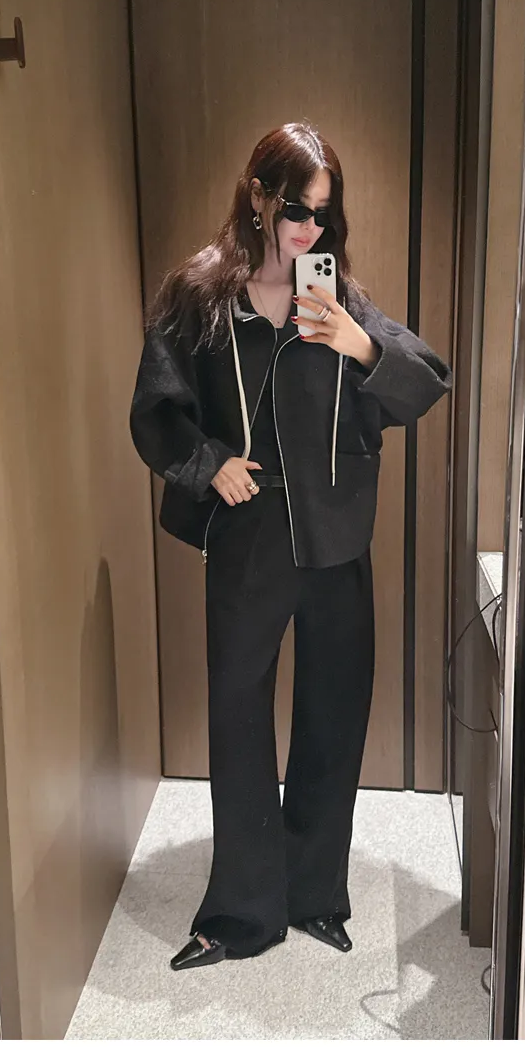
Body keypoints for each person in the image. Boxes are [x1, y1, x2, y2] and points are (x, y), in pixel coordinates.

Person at [130, 102, 450, 966]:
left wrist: (358, 345)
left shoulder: (335, 296)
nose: (310, 227)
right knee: (238, 715)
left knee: (334, 713)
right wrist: (210, 466)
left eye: (323, 213)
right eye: (297, 208)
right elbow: (155, 409)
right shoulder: (201, 295)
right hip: (250, 534)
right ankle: (241, 914)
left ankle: (314, 895)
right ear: (258, 196)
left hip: (335, 533)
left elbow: (426, 381)